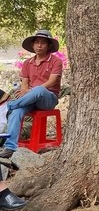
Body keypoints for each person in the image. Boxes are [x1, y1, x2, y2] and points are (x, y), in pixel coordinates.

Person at [0, 30, 63, 158]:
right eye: (37, 42)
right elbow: (24, 85)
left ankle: (10, 106)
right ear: (33, 45)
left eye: (43, 43)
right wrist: (26, 91)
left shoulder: (55, 61)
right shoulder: (27, 63)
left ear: (49, 45)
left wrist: (32, 90)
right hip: (30, 99)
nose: (40, 45)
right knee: (17, 112)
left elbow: (52, 81)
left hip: (48, 98)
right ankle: (10, 147)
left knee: (39, 90)